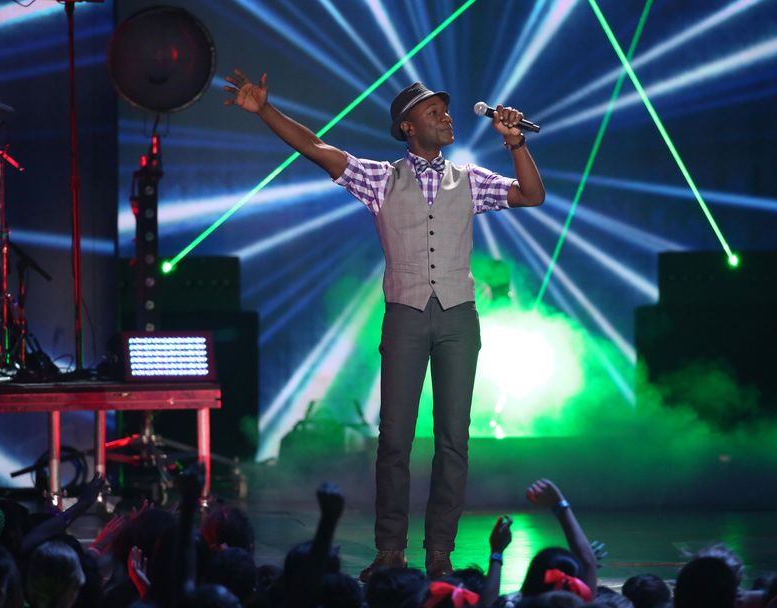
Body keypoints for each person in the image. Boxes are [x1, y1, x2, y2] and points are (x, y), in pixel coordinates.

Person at [224, 69, 545, 580]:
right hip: (405, 318)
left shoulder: (471, 178)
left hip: (460, 317)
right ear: (407, 127)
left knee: (453, 442)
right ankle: (391, 548)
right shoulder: (381, 178)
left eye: (445, 109)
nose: (446, 116)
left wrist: (516, 145)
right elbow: (316, 147)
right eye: (433, 111)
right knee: (394, 439)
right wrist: (265, 110)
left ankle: (439, 550)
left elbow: (531, 195)